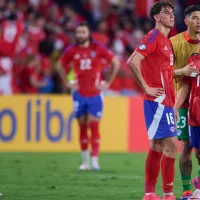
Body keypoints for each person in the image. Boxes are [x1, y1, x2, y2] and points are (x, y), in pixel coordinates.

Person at [127, 2, 177, 200]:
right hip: (157, 101)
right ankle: (168, 194)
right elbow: (133, 60)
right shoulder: (154, 36)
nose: (171, 16)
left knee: (157, 146)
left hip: (167, 101)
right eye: (166, 13)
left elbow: (166, 73)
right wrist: (146, 87)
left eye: (173, 13)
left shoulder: (167, 41)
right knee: (172, 144)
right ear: (156, 17)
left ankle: (150, 194)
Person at [56, 22, 119, 171]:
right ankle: (85, 162)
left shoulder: (97, 48)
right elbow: (59, 65)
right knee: (82, 127)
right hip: (78, 94)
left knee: (94, 126)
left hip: (95, 94)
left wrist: (108, 82)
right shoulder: (72, 50)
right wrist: (66, 82)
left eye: (83, 32)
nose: (80, 35)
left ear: (88, 33)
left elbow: (115, 62)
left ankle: (95, 161)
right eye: (78, 32)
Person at [170, 5, 200, 200]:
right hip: (181, 99)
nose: (199, 21)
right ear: (187, 20)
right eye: (196, 18)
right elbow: (163, 70)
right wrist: (181, 72)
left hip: (196, 96)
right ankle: (188, 188)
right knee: (186, 146)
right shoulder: (174, 42)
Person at [174, 53, 200, 199]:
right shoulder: (194, 60)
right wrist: (176, 106)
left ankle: (199, 191)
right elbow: (186, 85)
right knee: (197, 153)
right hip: (195, 113)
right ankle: (189, 188)